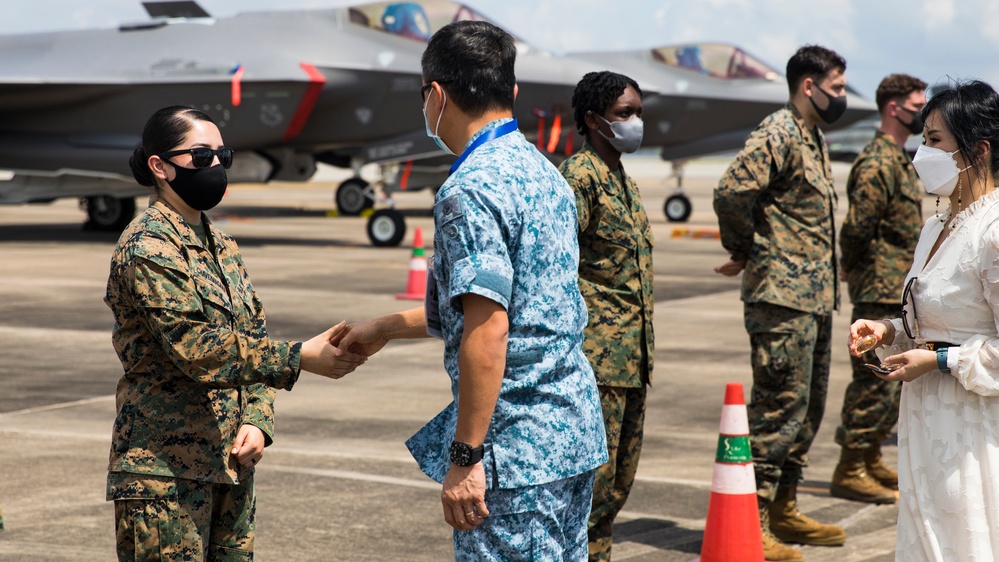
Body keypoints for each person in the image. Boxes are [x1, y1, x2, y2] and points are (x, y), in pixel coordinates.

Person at [337, 20, 607, 561]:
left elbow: (490, 331)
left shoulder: (470, 189)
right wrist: (385, 328)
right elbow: (513, 304)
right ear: (512, 91)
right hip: (571, 434)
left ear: (436, 95)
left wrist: (465, 458)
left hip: (517, 453)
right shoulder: (544, 172)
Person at [105, 105, 366, 561]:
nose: (216, 168)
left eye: (222, 156)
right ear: (159, 166)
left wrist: (257, 420)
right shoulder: (147, 247)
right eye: (201, 156)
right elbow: (196, 347)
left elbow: (252, 340)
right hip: (164, 477)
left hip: (230, 465)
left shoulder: (221, 245)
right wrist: (300, 356)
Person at [849, 80, 999, 561]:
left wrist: (938, 361)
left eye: (934, 140)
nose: (921, 151)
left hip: (973, 426)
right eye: (922, 137)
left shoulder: (993, 231)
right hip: (925, 417)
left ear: (978, 150)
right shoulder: (936, 224)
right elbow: (933, 315)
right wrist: (889, 331)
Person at [712, 45, 849, 562]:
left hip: (812, 298)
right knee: (777, 409)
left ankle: (785, 505)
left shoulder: (813, 136)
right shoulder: (780, 132)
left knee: (807, 409)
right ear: (808, 86)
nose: (841, 96)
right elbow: (731, 191)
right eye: (835, 87)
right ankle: (754, 517)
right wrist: (744, 249)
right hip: (781, 298)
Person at [558, 70, 654, 562]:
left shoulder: (621, 178)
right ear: (594, 119)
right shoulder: (581, 178)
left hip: (631, 362)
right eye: (625, 114)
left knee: (616, 487)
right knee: (590, 490)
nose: (636, 122)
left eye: (638, 112)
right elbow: (555, 266)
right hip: (596, 364)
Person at [831, 74, 927, 505]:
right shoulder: (877, 162)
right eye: (915, 104)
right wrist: (850, 265)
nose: (922, 113)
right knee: (873, 381)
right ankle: (850, 467)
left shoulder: (896, 158)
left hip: (895, 286)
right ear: (893, 108)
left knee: (889, 379)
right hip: (876, 286)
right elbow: (857, 228)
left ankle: (868, 457)